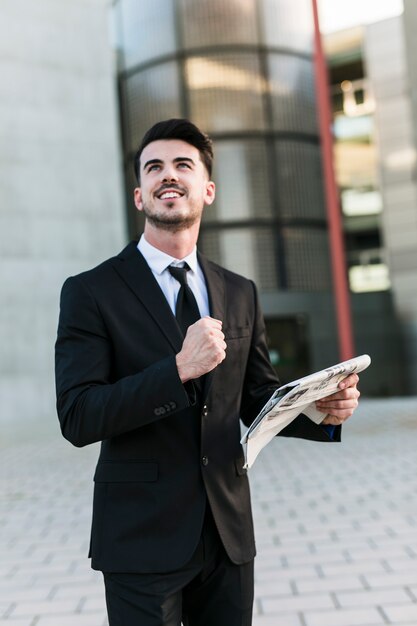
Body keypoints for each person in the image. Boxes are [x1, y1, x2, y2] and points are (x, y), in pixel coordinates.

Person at [55, 118, 360, 626]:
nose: (167, 176)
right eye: (154, 167)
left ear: (208, 189)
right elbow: (78, 414)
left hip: (227, 533)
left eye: (182, 165)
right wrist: (176, 370)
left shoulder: (241, 291)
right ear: (139, 195)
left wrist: (321, 410)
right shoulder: (90, 292)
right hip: (139, 537)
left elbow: (256, 397)